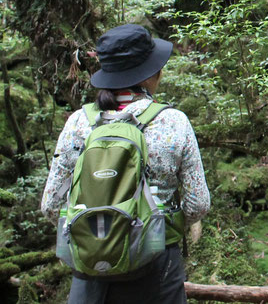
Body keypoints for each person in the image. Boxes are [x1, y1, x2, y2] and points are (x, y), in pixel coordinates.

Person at [41, 23, 211, 304]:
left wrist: (97, 236)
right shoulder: (173, 122)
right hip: (157, 265)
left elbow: (50, 205)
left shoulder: (78, 123)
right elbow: (198, 204)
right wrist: (156, 228)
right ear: (149, 75)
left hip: (90, 271)